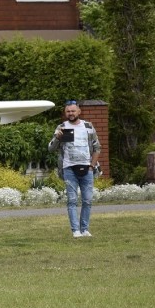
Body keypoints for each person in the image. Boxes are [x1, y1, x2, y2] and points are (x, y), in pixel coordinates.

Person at [48, 100, 102, 238]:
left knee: (87, 200)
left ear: (79, 111)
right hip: (69, 168)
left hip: (87, 168)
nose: (70, 114)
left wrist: (91, 166)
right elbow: (51, 148)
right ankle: (75, 231)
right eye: (68, 111)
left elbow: (97, 147)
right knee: (72, 200)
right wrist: (57, 138)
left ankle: (85, 229)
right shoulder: (61, 127)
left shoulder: (88, 126)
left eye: (73, 111)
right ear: (65, 113)